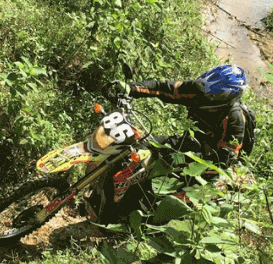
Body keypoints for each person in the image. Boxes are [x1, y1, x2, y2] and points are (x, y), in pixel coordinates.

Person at [96, 64, 254, 222]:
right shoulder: (199, 91)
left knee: (169, 203)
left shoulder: (235, 119)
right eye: (205, 90)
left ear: (227, 97)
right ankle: (108, 200)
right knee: (139, 149)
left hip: (211, 168)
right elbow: (164, 88)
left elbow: (223, 162)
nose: (205, 96)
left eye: (213, 94)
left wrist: (183, 160)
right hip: (188, 145)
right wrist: (132, 88)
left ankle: (141, 229)